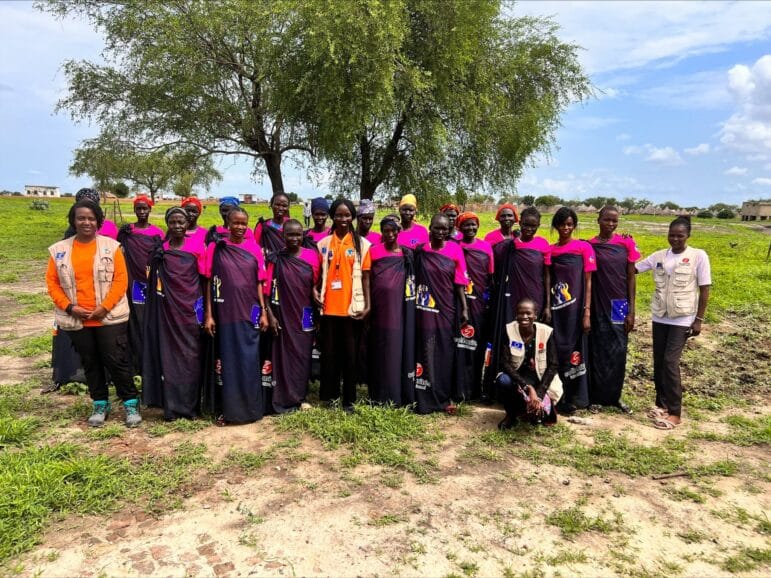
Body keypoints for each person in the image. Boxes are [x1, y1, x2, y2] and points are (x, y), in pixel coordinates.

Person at [46, 200, 141, 427]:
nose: (86, 222)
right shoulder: (59, 250)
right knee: (90, 362)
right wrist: (70, 308)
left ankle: (130, 402)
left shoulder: (112, 246)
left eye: (91, 218)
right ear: (73, 221)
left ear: (98, 221)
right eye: (81, 218)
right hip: (77, 318)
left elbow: (121, 280)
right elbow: (52, 283)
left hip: (108, 317)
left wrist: (104, 307)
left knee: (116, 361)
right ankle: (100, 402)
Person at [636, 216, 711, 430]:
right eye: (672, 235)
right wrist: (627, 247)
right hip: (660, 316)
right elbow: (634, 269)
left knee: (670, 362)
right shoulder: (659, 256)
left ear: (688, 236)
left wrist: (699, 319)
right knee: (659, 361)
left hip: (683, 317)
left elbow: (705, 288)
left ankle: (675, 413)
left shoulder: (698, 256)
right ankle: (662, 405)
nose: (675, 239)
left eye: (680, 235)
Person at [48, 188, 119, 393]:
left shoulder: (110, 231)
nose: (86, 222)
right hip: (73, 300)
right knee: (76, 339)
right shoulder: (67, 239)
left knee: (105, 342)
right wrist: (68, 304)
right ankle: (71, 373)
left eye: (91, 213)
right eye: (81, 215)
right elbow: (56, 276)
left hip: (102, 297)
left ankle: (106, 377)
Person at [203, 206, 269, 424]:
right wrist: (209, 315)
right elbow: (208, 280)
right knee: (227, 364)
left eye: (243, 223)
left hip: (249, 315)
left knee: (249, 362)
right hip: (225, 314)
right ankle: (229, 411)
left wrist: (264, 313)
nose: (240, 227)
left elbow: (260, 282)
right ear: (228, 224)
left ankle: (251, 410)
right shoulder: (217, 248)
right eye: (236, 223)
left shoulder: (254, 249)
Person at [142, 207, 206, 420]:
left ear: (187, 224)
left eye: (181, 222)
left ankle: (191, 407)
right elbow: (153, 282)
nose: (177, 226)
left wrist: (205, 312)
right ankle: (172, 407)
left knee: (191, 357)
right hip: (168, 313)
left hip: (191, 311)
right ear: (167, 225)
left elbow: (204, 279)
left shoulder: (197, 247)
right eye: (173, 223)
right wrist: (156, 260)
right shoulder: (161, 250)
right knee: (171, 359)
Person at [484, 207, 551, 403]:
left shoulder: (543, 245)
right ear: (519, 223)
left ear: (538, 226)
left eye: (533, 226)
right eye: (526, 224)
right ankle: (502, 389)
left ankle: (536, 391)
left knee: (533, 347)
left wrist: (546, 305)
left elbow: (547, 277)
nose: (529, 229)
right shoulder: (510, 246)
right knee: (509, 345)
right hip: (512, 300)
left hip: (535, 299)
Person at [316, 199, 372, 411]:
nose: (343, 219)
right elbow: (317, 275)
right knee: (330, 356)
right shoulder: (323, 244)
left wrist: (367, 305)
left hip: (351, 309)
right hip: (328, 308)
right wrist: (314, 291)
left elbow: (366, 277)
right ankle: (330, 397)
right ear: (333, 217)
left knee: (350, 356)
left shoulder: (362, 245)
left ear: (352, 217)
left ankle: (349, 400)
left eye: (347, 215)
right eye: (338, 215)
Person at [263, 219, 321, 413]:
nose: (294, 238)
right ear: (283, 236)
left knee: (302, 355)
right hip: (281, 314)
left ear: (303, 235)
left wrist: (314, 292)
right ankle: (281, 396)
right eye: (290, 234)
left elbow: (316, 284)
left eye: (298, 234)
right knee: (282, 355)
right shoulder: (275, 259)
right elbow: (266, 291)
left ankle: (299, 396)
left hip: (304, 314)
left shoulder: (313, 256)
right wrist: (270, 314)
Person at [414, 213, 469, 414]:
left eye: (445, 229)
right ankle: (422, 395)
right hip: (423, 309)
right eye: (437, 228)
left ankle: (442, 397)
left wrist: (464, 308)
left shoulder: (455, 250)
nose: (440, 232)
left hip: (445, 309)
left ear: (449, 230)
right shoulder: (420, 250)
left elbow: (460, 283)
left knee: (443, 351)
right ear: (430, 228)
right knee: (423, 349)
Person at [588, 206, 641, 413]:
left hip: (619, 305)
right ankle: (596, 397)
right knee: (597, 349)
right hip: (598, 302)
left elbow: (631, 277)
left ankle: (615, 397)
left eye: (614, 221)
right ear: (598, 220)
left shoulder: (625, 243)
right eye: (606, 220)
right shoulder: (590, 245)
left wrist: (632, 311)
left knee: (618, 351)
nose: (610, 224)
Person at [549, 207, 595, 414]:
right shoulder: (551, 250)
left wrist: (586, 311)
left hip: (576, 310)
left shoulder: (583, 248)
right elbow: (547, 279)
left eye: (570, 224)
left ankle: (577, 396)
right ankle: (557, 396)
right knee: (556, 351)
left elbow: (588, 281)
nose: (566, 228)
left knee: (575, 351)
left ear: (574, 226)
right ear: (556, 226)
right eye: (562, 224)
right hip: (556, 310)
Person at [368, 216, 416, 406]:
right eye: (385, 231)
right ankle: (377, 395)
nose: (389, 234)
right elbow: (367, 279)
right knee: (379, 352)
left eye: (393, 230)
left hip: (398, 312)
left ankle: (395, 394)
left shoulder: (406, 255)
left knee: (396, 352)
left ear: (398, 232)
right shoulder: (373, 252)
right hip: (379, 311)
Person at [494, 298, 562, 429]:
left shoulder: (546, 332)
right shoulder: (509, 330)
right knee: (503, 381)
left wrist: (539, 395)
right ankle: (511, 415)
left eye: (528, 313)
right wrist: (527, 387)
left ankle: (532, 412)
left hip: (539, 376)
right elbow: (505, 363)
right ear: (516, 315)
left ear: (535, 315)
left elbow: (553, 365)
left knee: (539, 416)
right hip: (517, 376)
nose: (524, 316)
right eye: (521, 313)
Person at [117, 195, 164, 374]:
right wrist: (122, 234)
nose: (142, 212)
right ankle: (136, 360)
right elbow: (118, 248)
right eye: (139, 208)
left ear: (150, 210)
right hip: (135, 282)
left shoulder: (157, 233)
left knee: (151, 318)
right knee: (136, 318)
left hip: (152, 282)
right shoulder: (129, 232)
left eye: (145, 208)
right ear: (135, 210)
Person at [455, 211, 494, 401]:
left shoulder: (486, 247)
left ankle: (475, 390)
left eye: (473, 225)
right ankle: (457, 389)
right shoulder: (454, 246)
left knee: (476, 347)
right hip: (458, 303)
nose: (470, 228)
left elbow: (490, 277)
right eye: (466, 225)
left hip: (479, 304)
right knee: (458, 347)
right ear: (459, 228)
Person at [254, 192, 291, 257]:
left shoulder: (291, 225)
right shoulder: (262, 226)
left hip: (287, 263)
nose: (280, 208)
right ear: (271, 205)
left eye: (284, 206)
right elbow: (255, 247)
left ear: (288, 207)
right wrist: (262, 251)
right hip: (269, 263)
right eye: (277, 204)